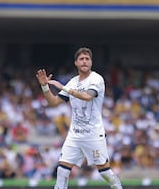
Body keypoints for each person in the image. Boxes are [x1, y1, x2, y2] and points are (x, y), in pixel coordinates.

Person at [36, 47, 123, 189]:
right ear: (76, 62)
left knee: (105, 172)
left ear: (91, 62)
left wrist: (63, 88)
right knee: (62, 170)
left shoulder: (96, 79)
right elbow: (53, 103)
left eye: (87, 59)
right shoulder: (72, 82)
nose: (84, 61)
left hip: (93, 134)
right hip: (75, 135)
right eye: (81, 59)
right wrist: (45, 87)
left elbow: (87, 96)